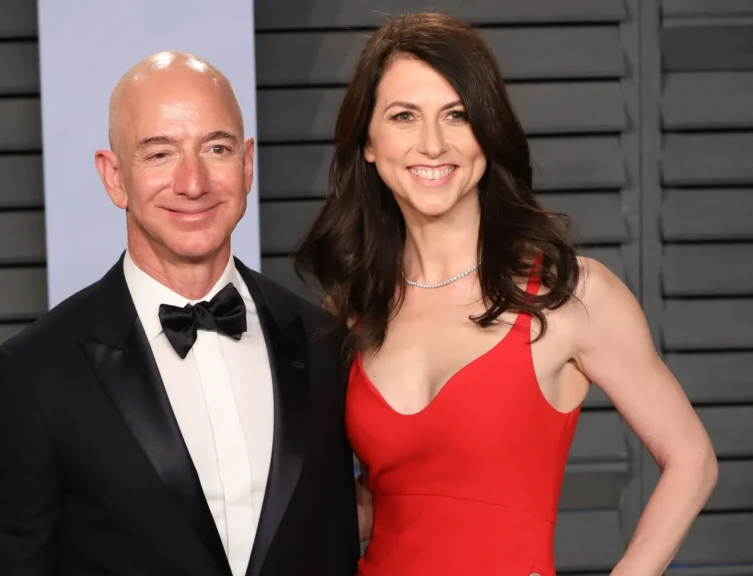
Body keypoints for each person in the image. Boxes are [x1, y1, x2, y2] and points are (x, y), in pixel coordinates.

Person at [293, 13, 718, 576]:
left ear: (487, 136)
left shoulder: (571, 295)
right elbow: (375, 507)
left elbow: (692, 459)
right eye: (403, 117)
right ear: (368, 143)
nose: (432, 143)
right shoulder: (352, 310)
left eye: (457, 115)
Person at [0, 51, 360, 576]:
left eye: (215, 149)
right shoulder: (33, 374)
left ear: (247, 165)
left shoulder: (323, 342)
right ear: (114, 177)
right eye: (159, 154)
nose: (193, 182)